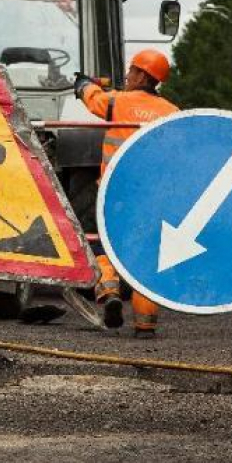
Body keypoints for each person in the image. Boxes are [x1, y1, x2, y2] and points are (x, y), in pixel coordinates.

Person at [74, 49, 180, 337]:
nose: (127, 75)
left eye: (132, 70)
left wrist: (83, 83)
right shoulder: (172, 112)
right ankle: (145, 322)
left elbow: (93, 100)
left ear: (143, 75)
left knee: (100, 243)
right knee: (147, 254)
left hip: (113, 193)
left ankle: (109, 293)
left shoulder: (118, 101)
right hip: (150, 198)